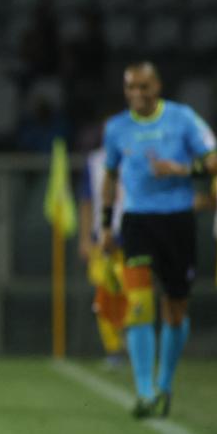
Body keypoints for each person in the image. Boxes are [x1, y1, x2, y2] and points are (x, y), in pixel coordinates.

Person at [100, 62, 217, 418]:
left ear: (158, 86)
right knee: (138, 303)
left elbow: (213, 164)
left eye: (144, 87)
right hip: (137, 221)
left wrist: (181, 169)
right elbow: (109, 176)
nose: (137, 94)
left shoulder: (183, 119)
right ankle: (144, 391)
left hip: (178, 221)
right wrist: (106, 225)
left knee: (175, 307)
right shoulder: (116, 128)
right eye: (131, 88)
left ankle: (164, 383)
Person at [78, 140, 127, 368]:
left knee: (133, 295)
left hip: (132, 236)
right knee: (105, 295)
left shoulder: (136, 156)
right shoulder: (94, 160)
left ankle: (133, 345)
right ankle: (113, 348)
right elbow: (86, 201)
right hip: (102, 239)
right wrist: (86, 237)